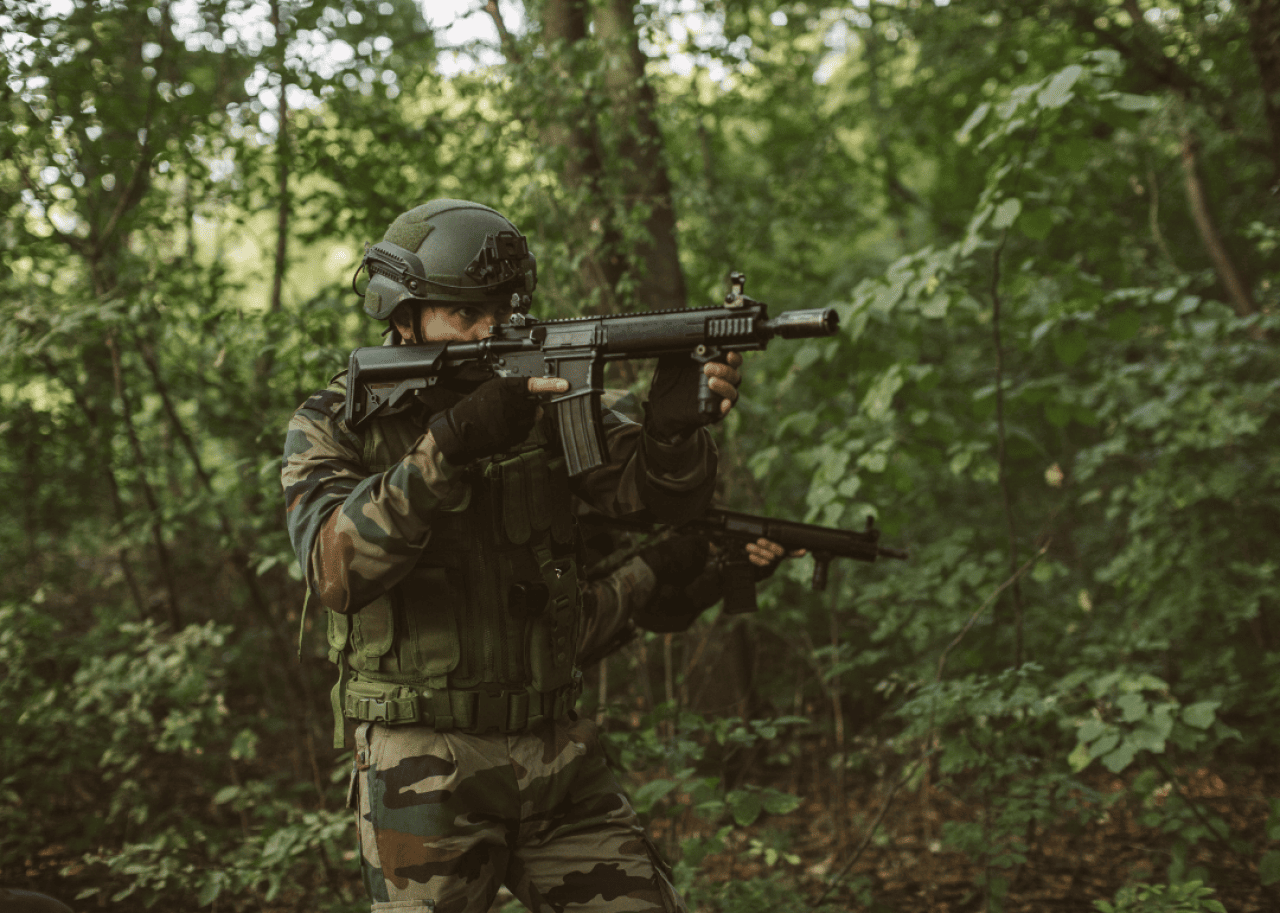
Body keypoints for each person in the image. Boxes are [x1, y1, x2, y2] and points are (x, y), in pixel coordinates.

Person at [282, 199, 742, 913]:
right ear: (405, 318)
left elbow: (652, 500)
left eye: (502, 308)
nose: (491, 330)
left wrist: (674, 434)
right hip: (421, 766)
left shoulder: (553, 396)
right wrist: (449, 446)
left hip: (556, 750)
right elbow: (334, 569)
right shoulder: (337, 422)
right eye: (467, 313)